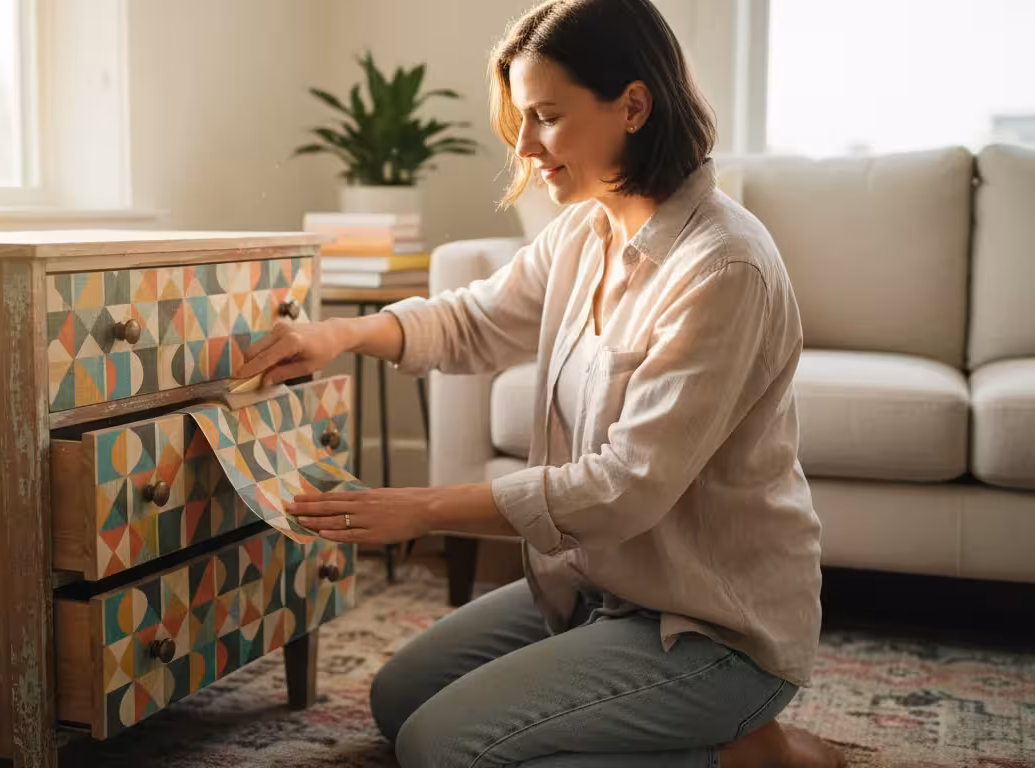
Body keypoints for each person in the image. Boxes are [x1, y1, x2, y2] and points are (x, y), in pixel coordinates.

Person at [235, 0, 844, 765]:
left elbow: (626, 487)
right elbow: (474, 321)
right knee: (398, 702)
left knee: (439, 749)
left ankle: (757, 755)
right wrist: (342, 333)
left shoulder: (723, 268)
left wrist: (421, 509)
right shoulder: (587, 230)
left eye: (546, 117)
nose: (524, 147)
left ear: (632, 104)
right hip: (597, 595)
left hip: (710, 626)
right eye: (522, 119)